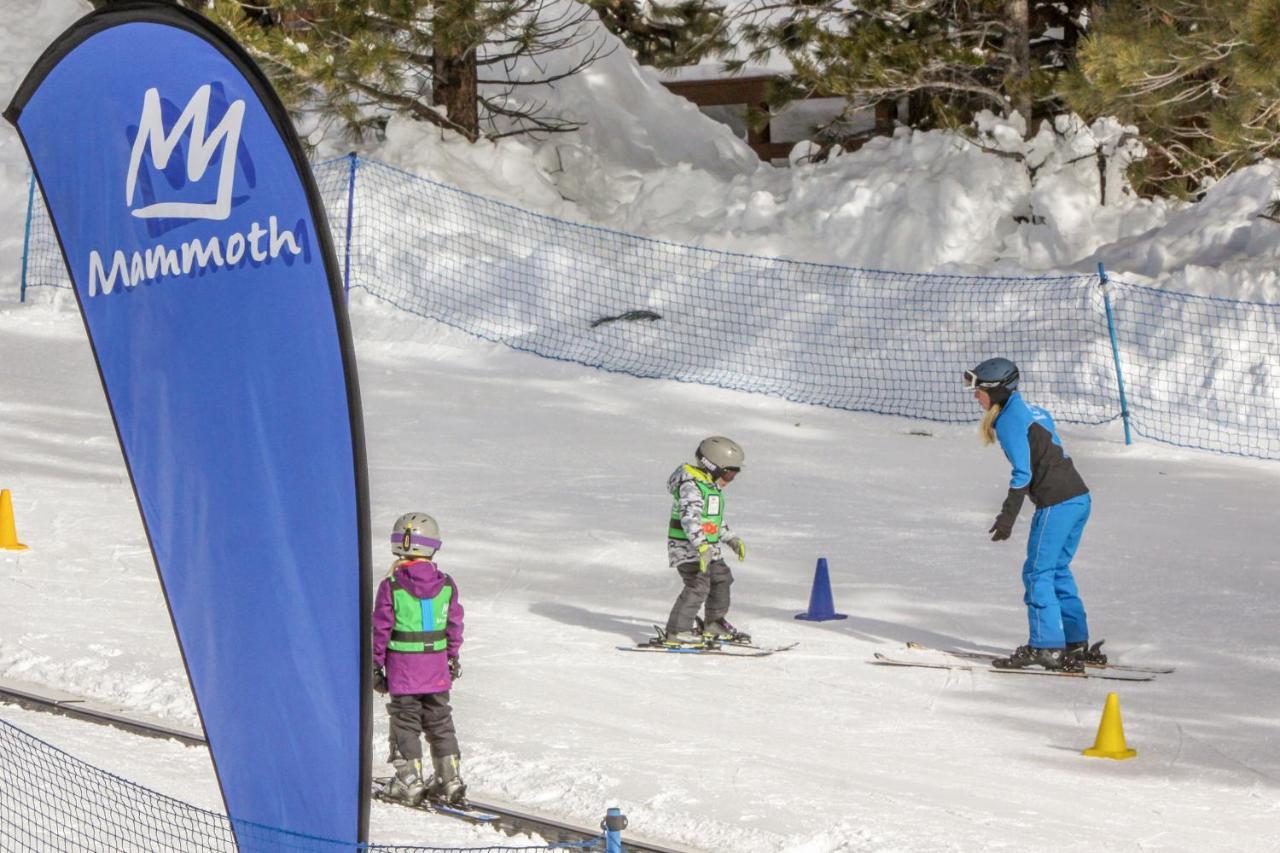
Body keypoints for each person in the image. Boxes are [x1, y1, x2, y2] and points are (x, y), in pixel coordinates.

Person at [964, 358, 1106, 672]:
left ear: (996, 390)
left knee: (1037, 573)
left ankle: (1046, 646)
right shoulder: (1031, 410)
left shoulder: (1008, 419)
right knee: (1057, 570)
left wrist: (1007, 516)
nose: (974, 396)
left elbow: (1023, 473)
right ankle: (1074, 642)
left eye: (978, 389)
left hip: (1057, 502)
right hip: (1078, 497)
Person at [372, 512, 467, 805]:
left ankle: (409, 781)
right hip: (436, 669)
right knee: (440, 721)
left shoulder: (393, 585)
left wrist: (374, 665)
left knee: (405, 722)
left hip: (403, 672)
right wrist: (451, 658)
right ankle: (449, 779)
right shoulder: (447, 584)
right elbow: (454, 626)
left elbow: (380, 628)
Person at [664, 436, 749, 645]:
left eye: (734, 475)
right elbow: (689, 519)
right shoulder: (691, 487)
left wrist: (730, 539)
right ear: (713, 467)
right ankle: (678, 631)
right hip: (687, 549)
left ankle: (714, 623)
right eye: (728, 474)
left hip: (708, 549)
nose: (730, 480)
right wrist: (701, 545)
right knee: (698, 585)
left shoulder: (710, 487)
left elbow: (713, 520)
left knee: (722, 579)